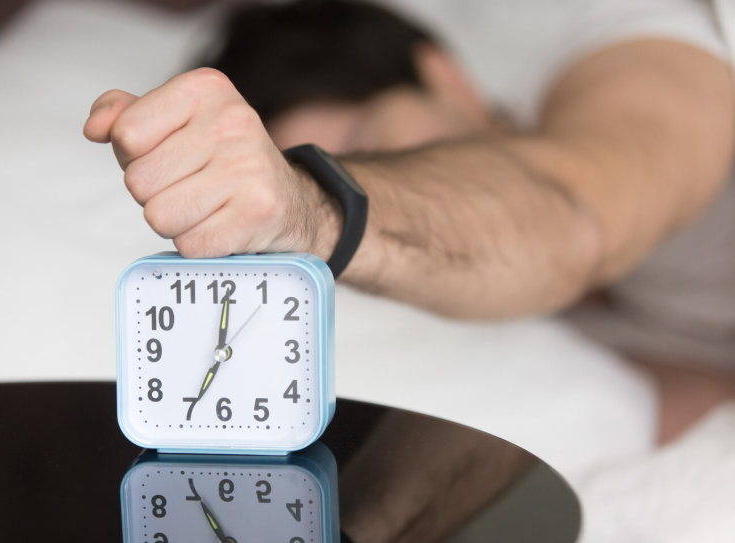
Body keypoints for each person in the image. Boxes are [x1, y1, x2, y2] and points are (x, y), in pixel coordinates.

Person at [83, 0, 735, 442]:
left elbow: (573, 212)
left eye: (369, 150)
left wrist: (315, 205)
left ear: (442, 77)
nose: (380, 182)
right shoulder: (505, 311)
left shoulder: (641, 55)